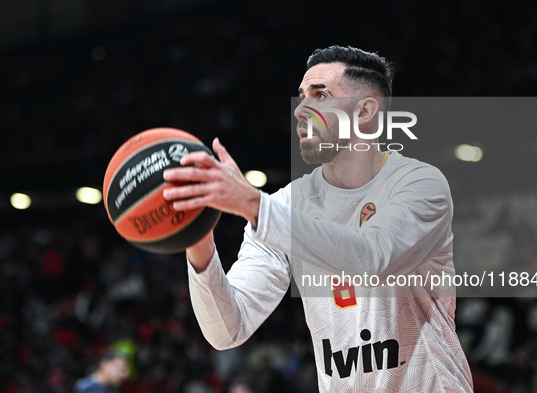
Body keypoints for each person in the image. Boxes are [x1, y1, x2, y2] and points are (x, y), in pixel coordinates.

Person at [163, 45, 474, 392]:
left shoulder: (419, 184)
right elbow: (227, 330)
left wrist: (253, 204)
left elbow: (371, 258)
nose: (301, 110)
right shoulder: (286, 204)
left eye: (320, 95)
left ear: (365, 112)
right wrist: (198, 239)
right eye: (301, 97)